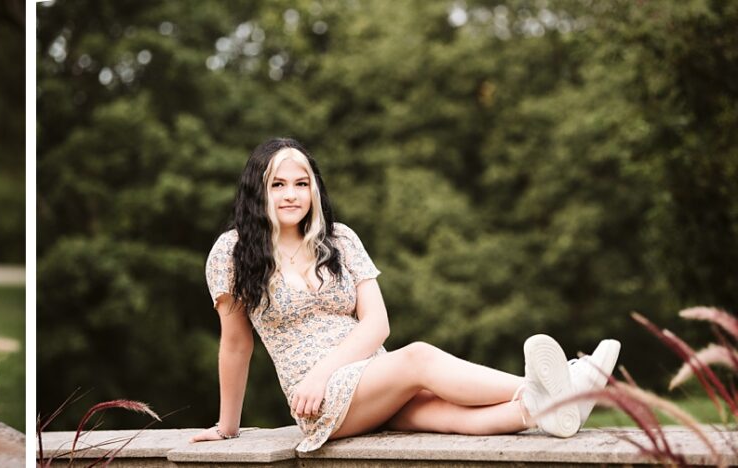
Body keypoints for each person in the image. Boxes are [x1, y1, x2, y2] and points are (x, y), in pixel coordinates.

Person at [191, 137, 621, 451]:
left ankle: (544, 408)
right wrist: (229, 426)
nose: (292, 194)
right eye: (278, 184)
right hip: (317, 398)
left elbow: (378, 324)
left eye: (301, 183)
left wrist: (337, 367)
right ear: (258, 191)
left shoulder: (339, 240)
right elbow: (235, 345)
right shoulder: (232, 251)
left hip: (373, 374)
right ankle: (567, 385)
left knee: (443, 414)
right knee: (418, 357)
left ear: (314, 189)